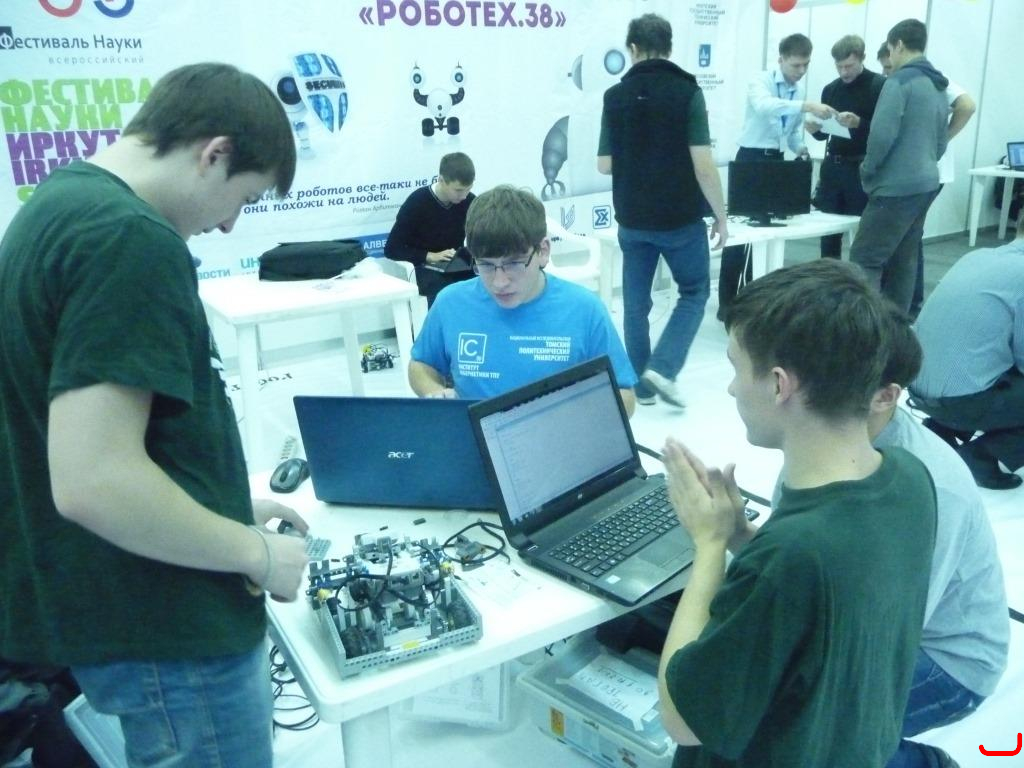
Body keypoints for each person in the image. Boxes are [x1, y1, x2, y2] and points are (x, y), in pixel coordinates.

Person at [0, 63, 310, 768]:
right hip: (168, 628)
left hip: (123, 604)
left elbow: (100, 437)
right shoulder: (129, 239)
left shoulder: (62, 204)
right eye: (244, 197)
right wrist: (255, 553)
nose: (229, 222)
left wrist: (224, 507)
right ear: (215, 153)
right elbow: (95, 480)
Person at [657, 259, 937, 767]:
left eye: (736, 368)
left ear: (779, 385)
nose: (731, 388)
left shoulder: (793, 553)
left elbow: (683, 720)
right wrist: (745, 539)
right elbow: (831, 604)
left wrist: (710, 543)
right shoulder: (910, 479)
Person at [867, 309, 1008, 768]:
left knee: (817, 727)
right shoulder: (828, 440)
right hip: (903, 626)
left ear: (884, 396)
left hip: (952, 659)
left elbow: (890, 629)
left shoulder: (924, 486)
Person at [408, 185, 638, 414]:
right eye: (485, 265)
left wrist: (576, 413)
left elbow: (625, 396)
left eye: (514, 264)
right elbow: (420, 365)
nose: (499, 282)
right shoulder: (451, 303)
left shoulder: (585, 310)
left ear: (543, 251)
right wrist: (435, 391)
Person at [596, 12, 728, 408]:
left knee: (635, 305)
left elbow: (604, 164)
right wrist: (721, 216)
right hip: (679, 218)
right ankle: (664, 368)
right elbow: (703, 164)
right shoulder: (688, 92)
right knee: (694, 291)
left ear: (632, 48)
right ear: (669, 48)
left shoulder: (614, 97)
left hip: (632, 218)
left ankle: (641, 386)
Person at [718, 33, 834, 318]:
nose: (801, 71)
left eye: (806, 65)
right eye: (796, 65)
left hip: (776, 162)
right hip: (751, 159)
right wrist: (806, 106)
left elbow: (791, 132)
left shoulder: (798, 90)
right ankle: (727, 303)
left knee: (769, 232)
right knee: (740, 234)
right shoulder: (760, 81)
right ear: (781, 59)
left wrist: (802, 149)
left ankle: (756, 299)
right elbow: (765, 105)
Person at [908, 215, 1024, 490]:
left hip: (918, 389)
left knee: (982, 358)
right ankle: (984, 455)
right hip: (963, 403)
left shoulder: (977, 256)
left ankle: (943, 431)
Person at [849, 19, 949, 313]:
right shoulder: (938, 84)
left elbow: (881, 136)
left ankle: (863, 327)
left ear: (899, 45)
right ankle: (896, 326)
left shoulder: (898, 82)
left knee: (865, 258)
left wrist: (867, 169)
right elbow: (941, 140)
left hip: (895, 188)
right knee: (904, 259)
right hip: (926, 182)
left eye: (890, 50)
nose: (889, 58)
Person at [876, 44, 977, 318]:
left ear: (898, 52)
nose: (885, 73)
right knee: (908, 238)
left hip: (927, 172)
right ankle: (906, 304)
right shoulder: (908, 83)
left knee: (907, 239)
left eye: (888, 66)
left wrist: (942, 138)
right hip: (921, 172)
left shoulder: (931, 80)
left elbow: (967, 105)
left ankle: (909, 304)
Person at [805, 35, 885, 258]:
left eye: (849, 66)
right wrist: (815, 129)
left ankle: (859, 277)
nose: (844, 72)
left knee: (864, 233)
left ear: (862, 58)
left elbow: (886, 132)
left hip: (862, 167)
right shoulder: (831, 89)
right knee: (827, 231)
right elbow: (825, 135)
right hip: (834, 167)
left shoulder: (879, 86)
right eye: (839, 66)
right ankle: (829, 274)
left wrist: (859, 123)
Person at [385, 151, 476, 306]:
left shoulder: (470, 201)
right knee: (441, 287)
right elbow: (392, 249)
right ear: (441, 180)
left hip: (454, 264)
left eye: (468, 189)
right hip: (421, 266)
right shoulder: (417, 202)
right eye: (458, 190)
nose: (464, 196)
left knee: (481, 278)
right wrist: (429, 256)